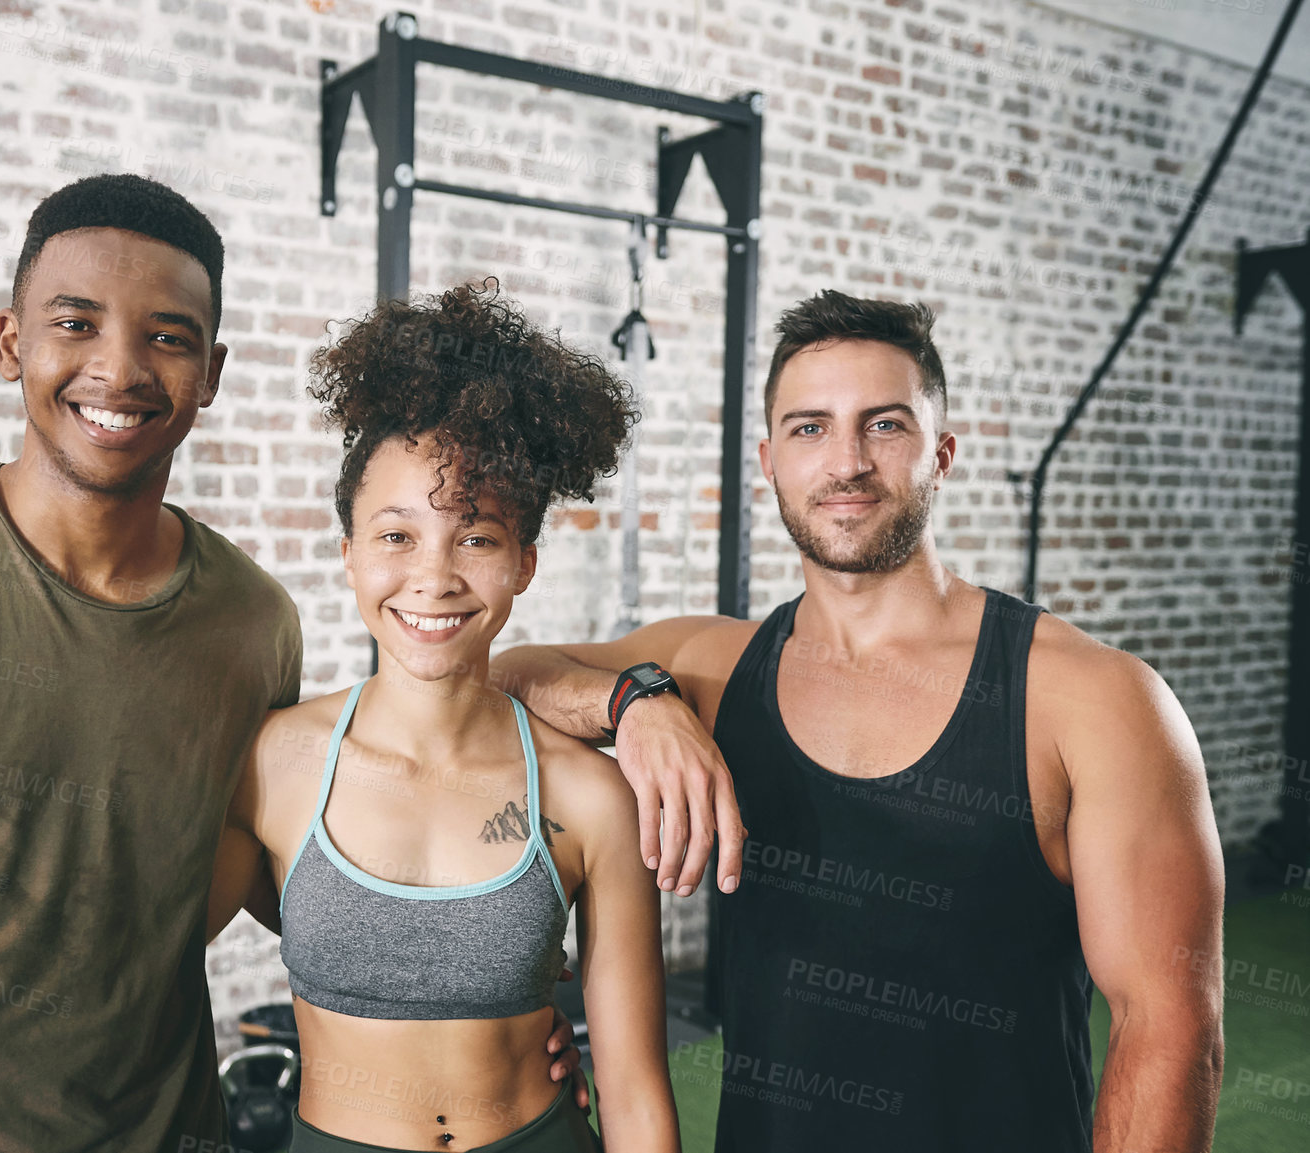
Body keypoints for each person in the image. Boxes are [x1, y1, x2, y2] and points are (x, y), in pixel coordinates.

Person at [0, 176, 585, 1153]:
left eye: (166, 335)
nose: (117, 368)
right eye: (75, 321)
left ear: (212, 370)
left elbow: (308, 868)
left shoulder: (251, 624)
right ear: (11, 339)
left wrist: (492, 1005)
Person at [0, 281, 683, 1153]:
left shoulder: (590, 795)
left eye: (479, 537)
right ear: (347, 555)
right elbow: (129, 954)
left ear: (525, 562)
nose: (435, 575)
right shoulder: (277, 761)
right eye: (395, 535)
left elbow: (641, 1101)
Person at [487, 290, 1227, 1151]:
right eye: (809, 429)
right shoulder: (715, 669)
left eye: (884, 425)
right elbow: (506, 673)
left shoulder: (1092, 700)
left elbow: (1170, 1031)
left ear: (941, 454)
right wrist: (634, 700)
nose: (846, 462)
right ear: (769, 460)